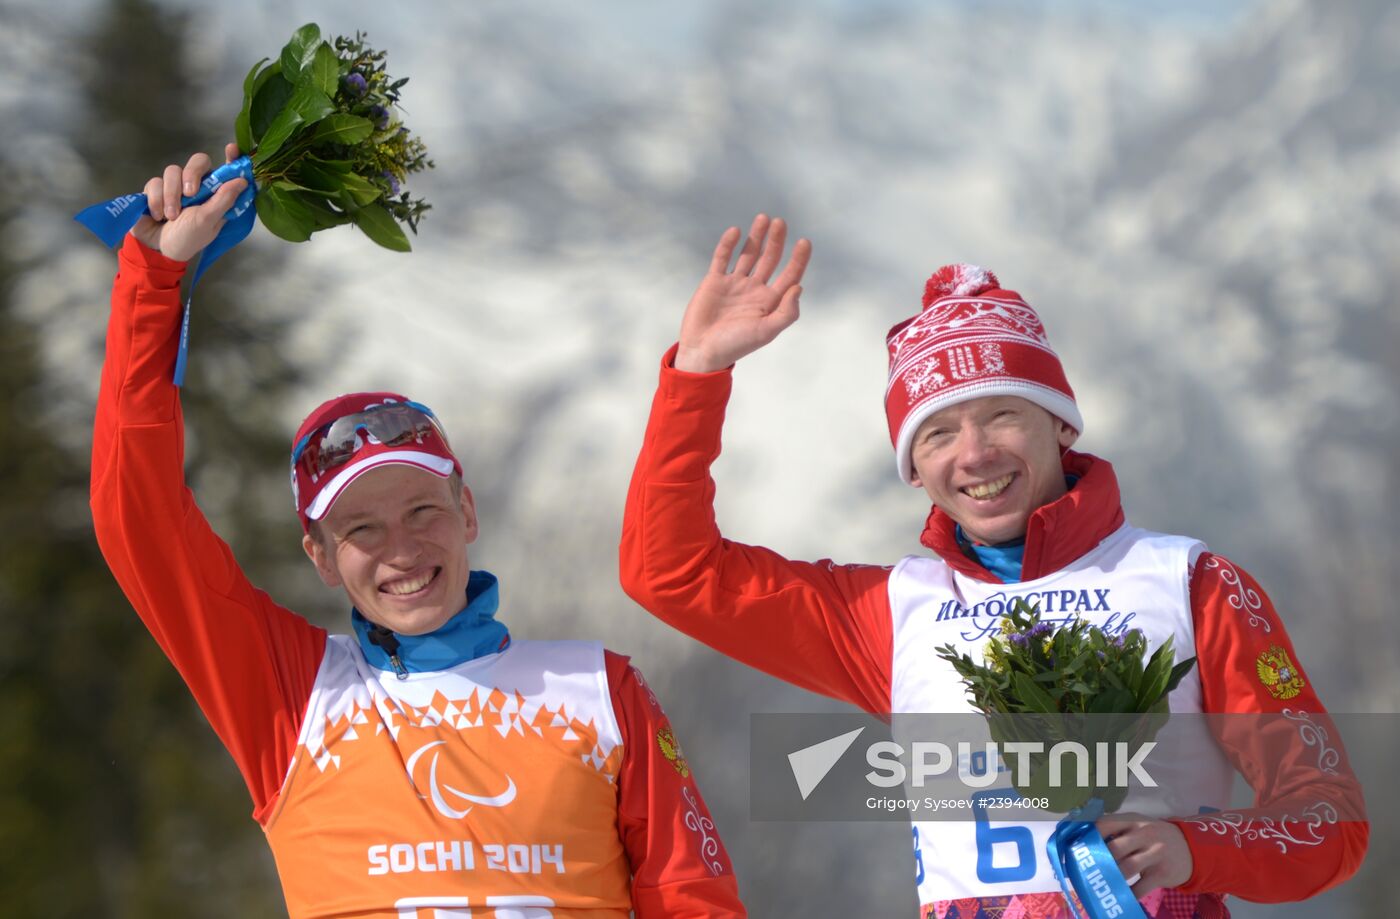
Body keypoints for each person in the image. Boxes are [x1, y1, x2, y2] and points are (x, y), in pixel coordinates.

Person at [619, 214, 1368, 917]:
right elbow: (671, 570)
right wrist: (697, 373)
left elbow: (1328, 818)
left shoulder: (1192, 583)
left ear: (1060, 422)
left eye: (1003, 414)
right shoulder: (891, 611)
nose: (974, 454)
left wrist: (1191, 849)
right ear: (914, 467)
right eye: (937, 432)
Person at [90, 147, 744, 919]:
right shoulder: (292, 697)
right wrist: (157, 276)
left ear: (466, 511)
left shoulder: (601, 691)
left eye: (422, 511)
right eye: (361, 527)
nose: (401, 548)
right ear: (322, 557)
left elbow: (693, 901)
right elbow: (139, 519)